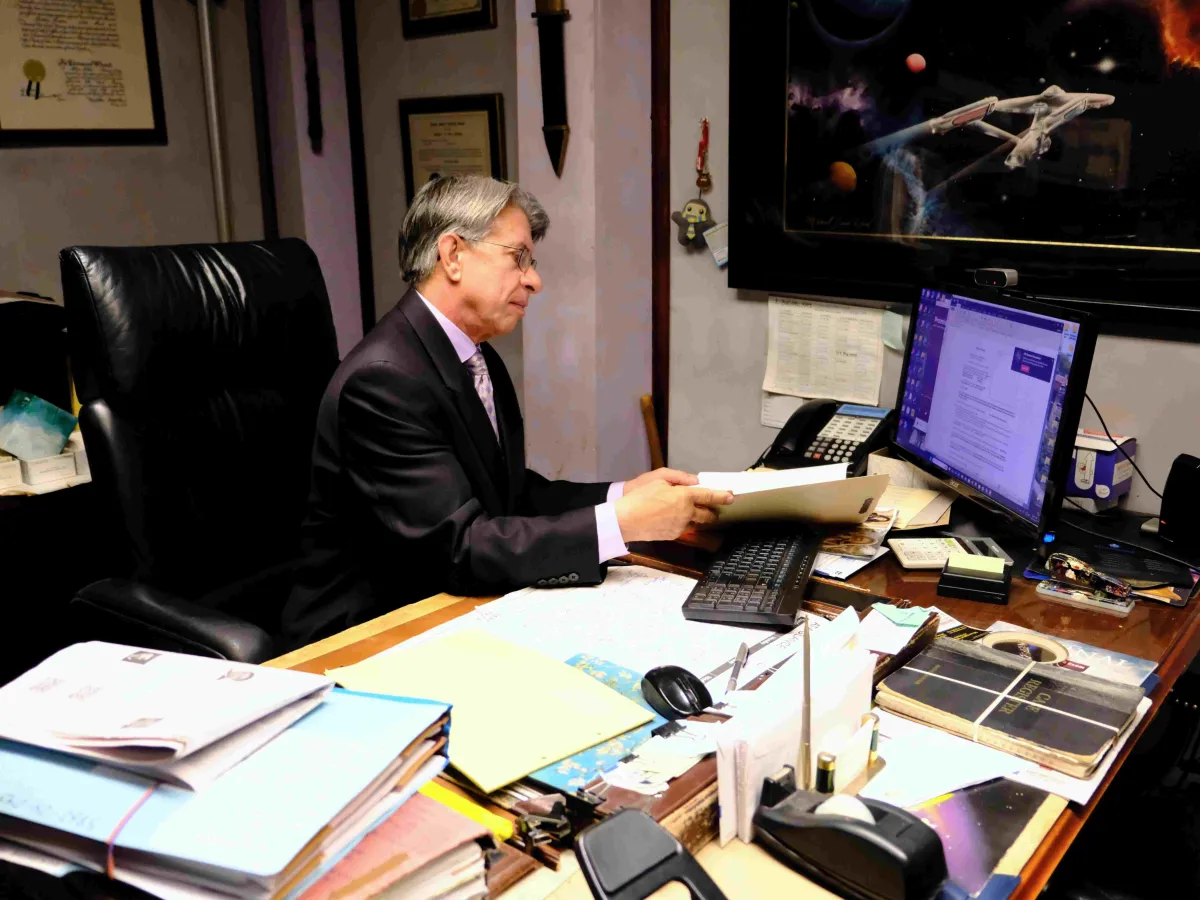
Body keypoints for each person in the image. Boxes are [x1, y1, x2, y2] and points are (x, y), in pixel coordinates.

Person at [284, 175, 733, 646]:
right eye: (518, 258)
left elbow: (509, 498)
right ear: (453, 255)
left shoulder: (476, 355)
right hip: (364, 636)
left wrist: (623, 493)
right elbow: (458, 548)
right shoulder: (383, 380)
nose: (535, 280)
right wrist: (623, 523)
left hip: (453, 607)